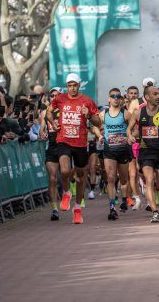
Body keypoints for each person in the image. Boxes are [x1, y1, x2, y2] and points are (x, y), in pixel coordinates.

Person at [46, 73, 100, 224]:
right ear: (67, 86)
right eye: (69, 85)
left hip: (80, 143)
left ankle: (77, 209)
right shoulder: (60, 99)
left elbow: (98, 123)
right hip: (63, 140)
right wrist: (53, 123)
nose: (72, 88)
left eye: (74, 85)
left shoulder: (87, 101)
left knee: (81, 177)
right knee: (64, 171)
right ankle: (67, 192)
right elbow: (49, 111)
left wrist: (89, 115)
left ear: (79, 85)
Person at [127, 85, 159, 223]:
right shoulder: (138, 113)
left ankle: (153, 194)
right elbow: (129, 129)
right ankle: (155, 211)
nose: (158, 96)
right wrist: (130, 136)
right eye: (155, 94)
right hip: (146, 151)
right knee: (149, 179)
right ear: (147, 97)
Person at [99, 88, 132, 221]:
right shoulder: (103, 114)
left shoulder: (126, 114)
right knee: (111, 178)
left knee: (123, 179)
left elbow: (134, 128)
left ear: (121, 99)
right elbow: (95, 125)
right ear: (109, 99)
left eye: (118, 96)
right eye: (113, 96)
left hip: (123, 150)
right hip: (109, 150)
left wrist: (129, 136)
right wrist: (99, 135)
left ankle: (124, 199)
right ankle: (112, 208)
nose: (116, 98)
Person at [39, 87, 61, 220]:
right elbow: (41, 129)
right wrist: (42, 133)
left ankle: (69, 192)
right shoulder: (45, 112)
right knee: (52, 178)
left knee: (68, 174)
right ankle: (54, 209)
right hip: (52, 147)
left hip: (64, 147)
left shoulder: (65, 110)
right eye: (52, 96)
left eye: (56, 95)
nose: (54, 98)